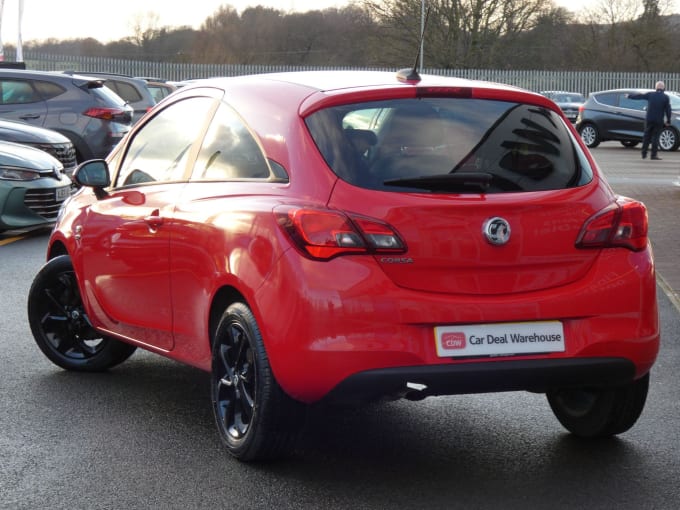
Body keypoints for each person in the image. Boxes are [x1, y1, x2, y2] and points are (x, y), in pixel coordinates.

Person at [629, 81, 672, 160]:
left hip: (649, 119)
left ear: (656, 88)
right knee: (655, 137)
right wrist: (668, 120)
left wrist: (629, 96)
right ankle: (653, 155)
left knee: (646, 136)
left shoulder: (650, 95)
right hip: (658, 120)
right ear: (663, 88)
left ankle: (644, 153)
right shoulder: (666, 97)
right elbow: (668, 110)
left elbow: (640, 96)